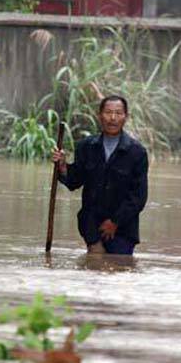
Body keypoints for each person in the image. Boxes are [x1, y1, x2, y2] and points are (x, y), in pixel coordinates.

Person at [52, 95, 148, 255]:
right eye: (108, 112)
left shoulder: (136, 152)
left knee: (119, 271)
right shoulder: (86, 147)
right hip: (91, 224)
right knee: (94, 267)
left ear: (126, 117)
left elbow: (138, 197)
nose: (113, 118)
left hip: (123, 229)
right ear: (99, 115)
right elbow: (74, 181)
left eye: (118, 113)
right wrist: (62, 166)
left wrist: (115, 222)